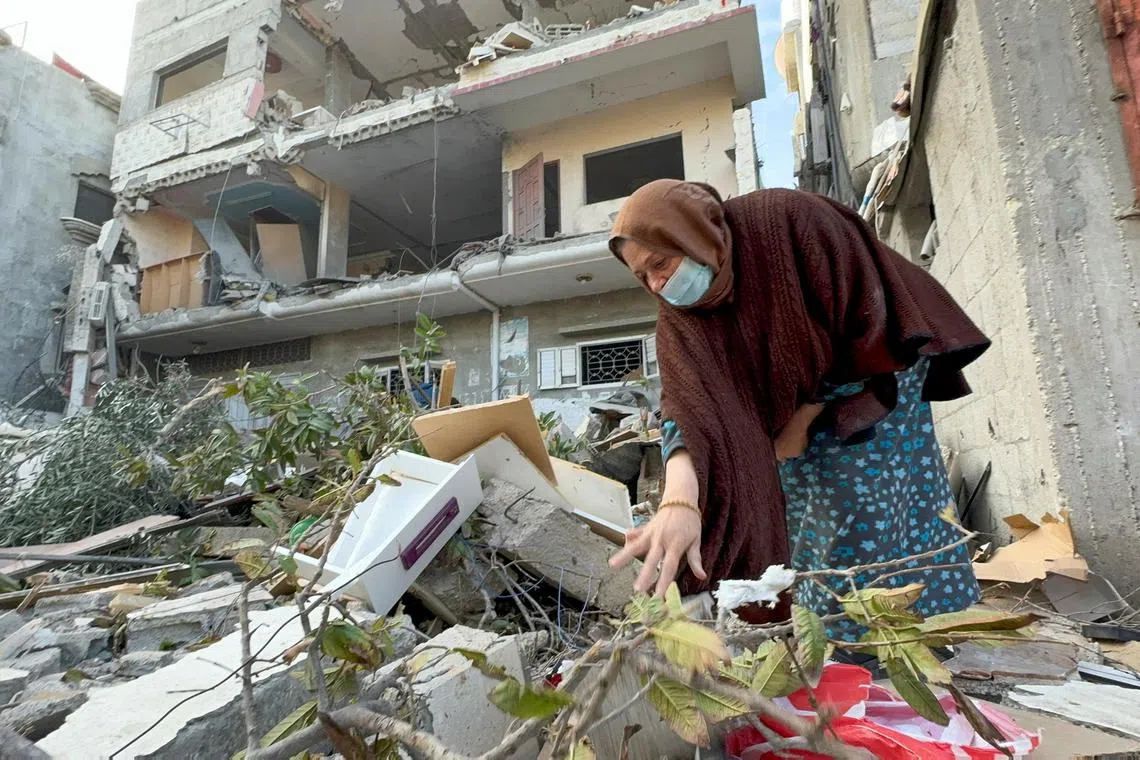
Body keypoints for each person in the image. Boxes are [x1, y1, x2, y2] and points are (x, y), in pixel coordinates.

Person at [607, 180, 990, 635]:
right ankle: (836, 642)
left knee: (862, 513)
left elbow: (864, 313)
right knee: (802, 519)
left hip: (876, 367)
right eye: (642, 277)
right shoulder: (681, 320)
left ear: (693, 234)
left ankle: (911, 636)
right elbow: (689, 410)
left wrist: (804, 419)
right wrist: (679, 503)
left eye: (660, 263)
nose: (657, 283)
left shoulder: (785, 221)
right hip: (796, 401)